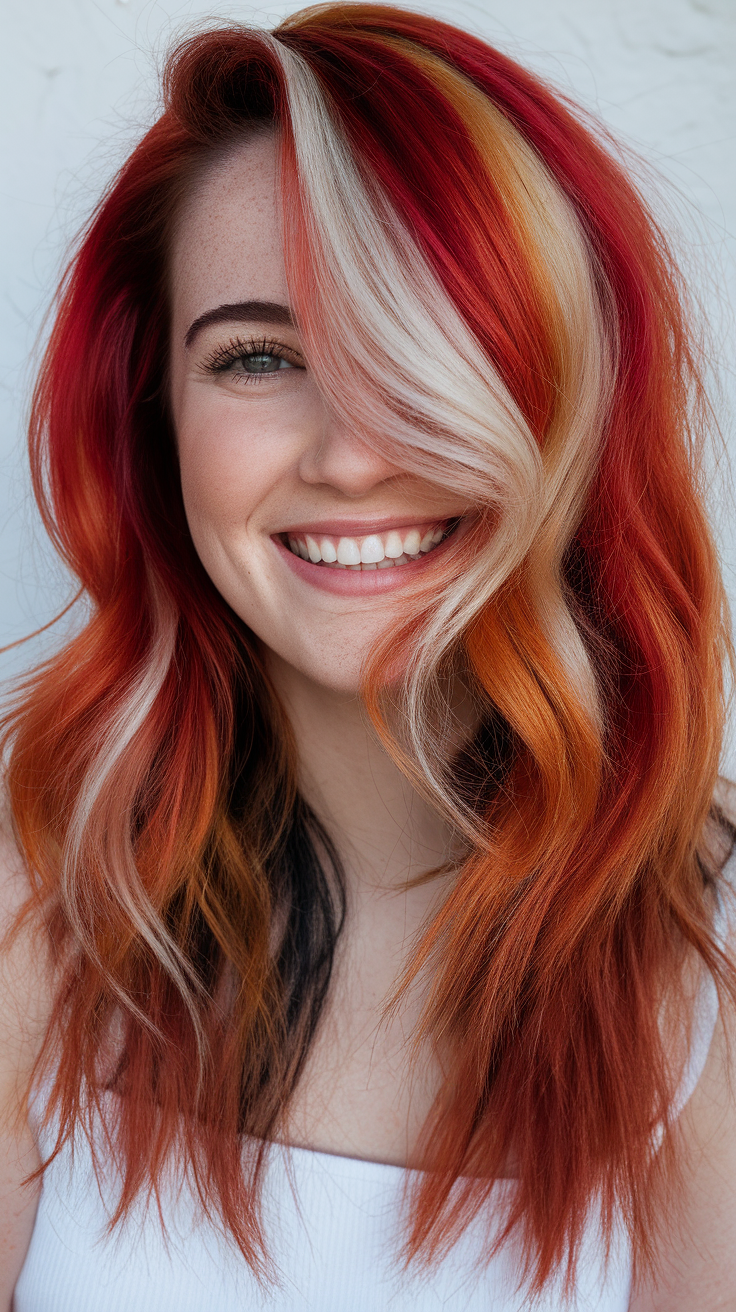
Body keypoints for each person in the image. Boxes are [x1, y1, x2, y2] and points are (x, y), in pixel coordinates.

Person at [2, 4, 735, 1308]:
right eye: (261, 355)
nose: (350, 455)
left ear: (572, 391)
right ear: (154, 419)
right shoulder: (34, 885)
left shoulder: (708, 962)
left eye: (419, 344)